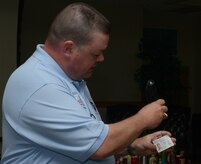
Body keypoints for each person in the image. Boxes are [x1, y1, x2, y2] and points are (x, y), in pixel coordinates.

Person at [1, 2, 175, 164]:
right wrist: (143, 119)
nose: (101, 59)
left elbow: (86, 141)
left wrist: (133, 145)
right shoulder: (40, 84)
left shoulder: (70, 79)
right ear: (69, 48)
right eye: (95, 53)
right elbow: (100, 146)